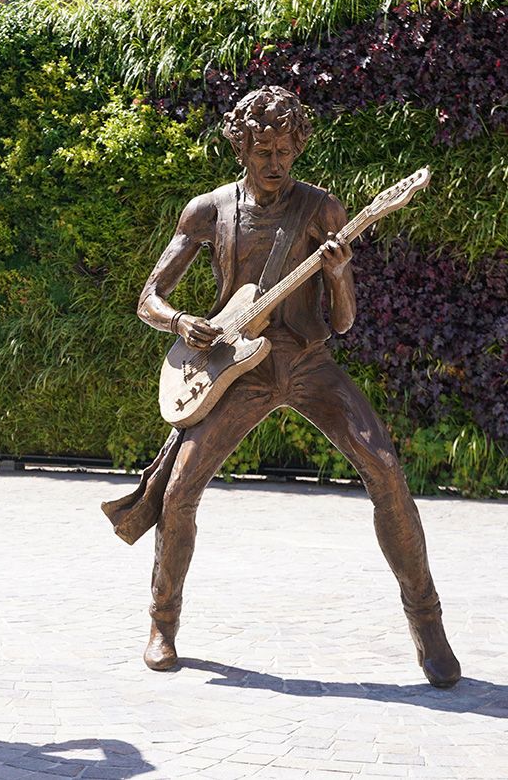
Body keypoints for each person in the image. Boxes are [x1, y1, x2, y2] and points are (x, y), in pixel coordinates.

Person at [102, 86, 461, 688]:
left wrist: (340, 274)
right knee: (180, 489)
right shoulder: (207, 210)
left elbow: (342, 321)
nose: (274, 163)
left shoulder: (323, 209)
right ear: (240, 146)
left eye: (285, 152)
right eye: (262, 150)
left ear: (298, 148)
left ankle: (428, 627)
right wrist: (181, 321)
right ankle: (162, 624)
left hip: (308, 362)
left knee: (386, 471)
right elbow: (148, 298)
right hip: (236, 365)